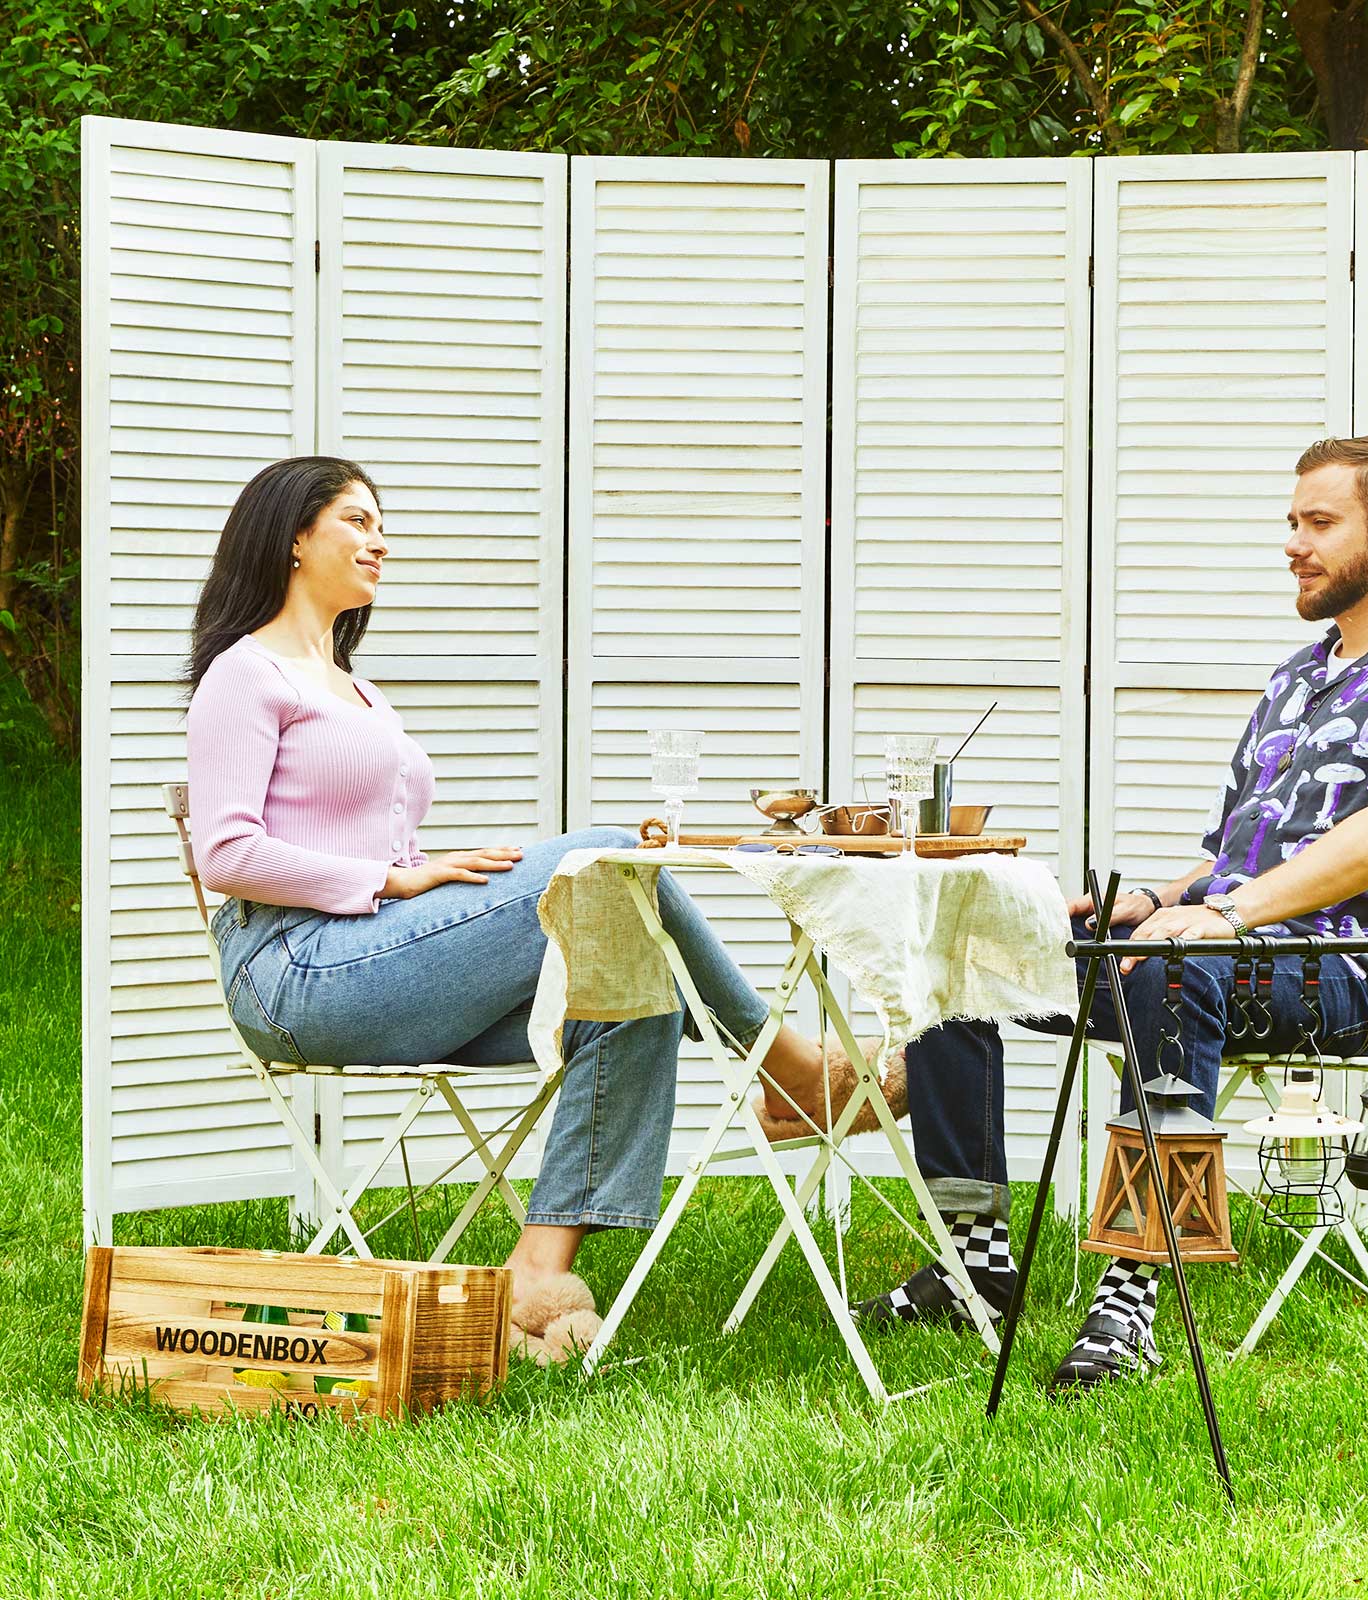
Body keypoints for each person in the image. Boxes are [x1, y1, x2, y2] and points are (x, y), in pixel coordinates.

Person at [844, 435, 1368, 1394]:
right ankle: (976, 1260)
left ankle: (1130, 1300)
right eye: (1292, 522)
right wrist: (1156, 901)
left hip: (1352, 973)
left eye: (1319, 523)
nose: (1293, 542)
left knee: (1168, 972)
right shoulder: (1296, 676)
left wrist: (1225, 917)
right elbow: (1232, 856)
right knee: (966, 954)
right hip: (1225, 948)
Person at [184, 456, 881, 1360]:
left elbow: (371, 843)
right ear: (291, 539)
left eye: (379, 522)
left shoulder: (358, 690)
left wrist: (407, 876)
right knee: (600, 853)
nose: (379, 540)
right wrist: (398, 882)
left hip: (375, 958)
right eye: (356, 521)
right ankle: (789, 1069)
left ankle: (535, 1275)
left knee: (632, 984)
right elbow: (227, 852)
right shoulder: (246, 676)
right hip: (294, 974)